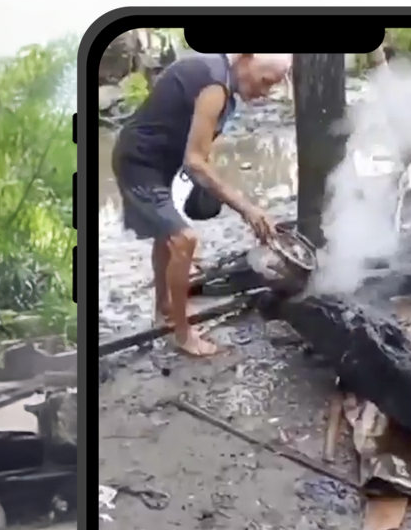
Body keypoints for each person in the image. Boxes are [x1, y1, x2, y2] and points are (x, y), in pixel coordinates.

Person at [111, 53, 289, 356]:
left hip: (164, 164)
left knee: (168, 235)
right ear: (246, 58)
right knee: (184, 240)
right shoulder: (215, 85)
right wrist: (246, 208)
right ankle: (183, 334)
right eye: (266, 81)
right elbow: (195, 161)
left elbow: (203, 149)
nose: (265, 92)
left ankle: (166, 308)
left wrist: (211, 189)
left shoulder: (226, 89)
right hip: (140, 162)